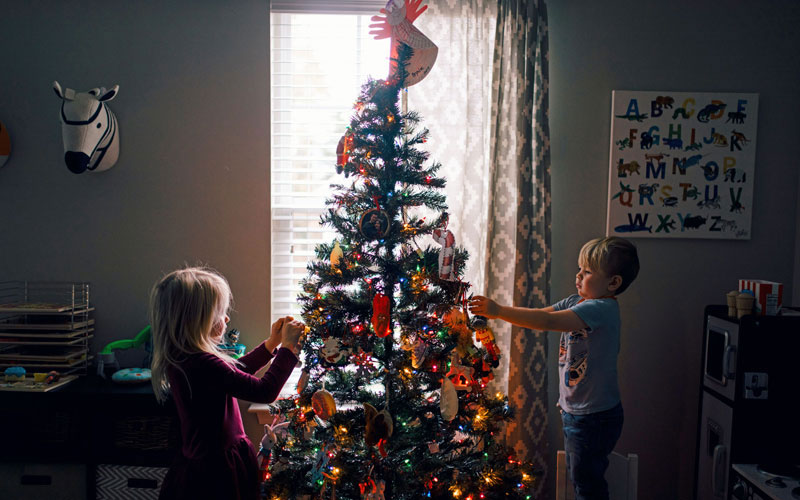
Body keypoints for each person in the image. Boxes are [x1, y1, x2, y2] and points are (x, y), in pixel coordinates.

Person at [469, 236, 639, 500]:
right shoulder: (577, 302)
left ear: (613, 282)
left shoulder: (601, 309)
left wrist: (499, 310)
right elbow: (541, 314)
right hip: (579, 412)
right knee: (581, 478)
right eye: (579, 269)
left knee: (587, 485)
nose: (578, 275)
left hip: (594, 417)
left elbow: (546, 321)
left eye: (588, 272)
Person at [150, 266, 304, 500]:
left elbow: (233, 372)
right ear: (199, 320)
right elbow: (264, 391)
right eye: (220, 313)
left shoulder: (186, 358)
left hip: (203, 465)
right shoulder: (203, 363)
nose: (227, 318)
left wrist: (271, 344)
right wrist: (288, 350)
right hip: (217, 471)